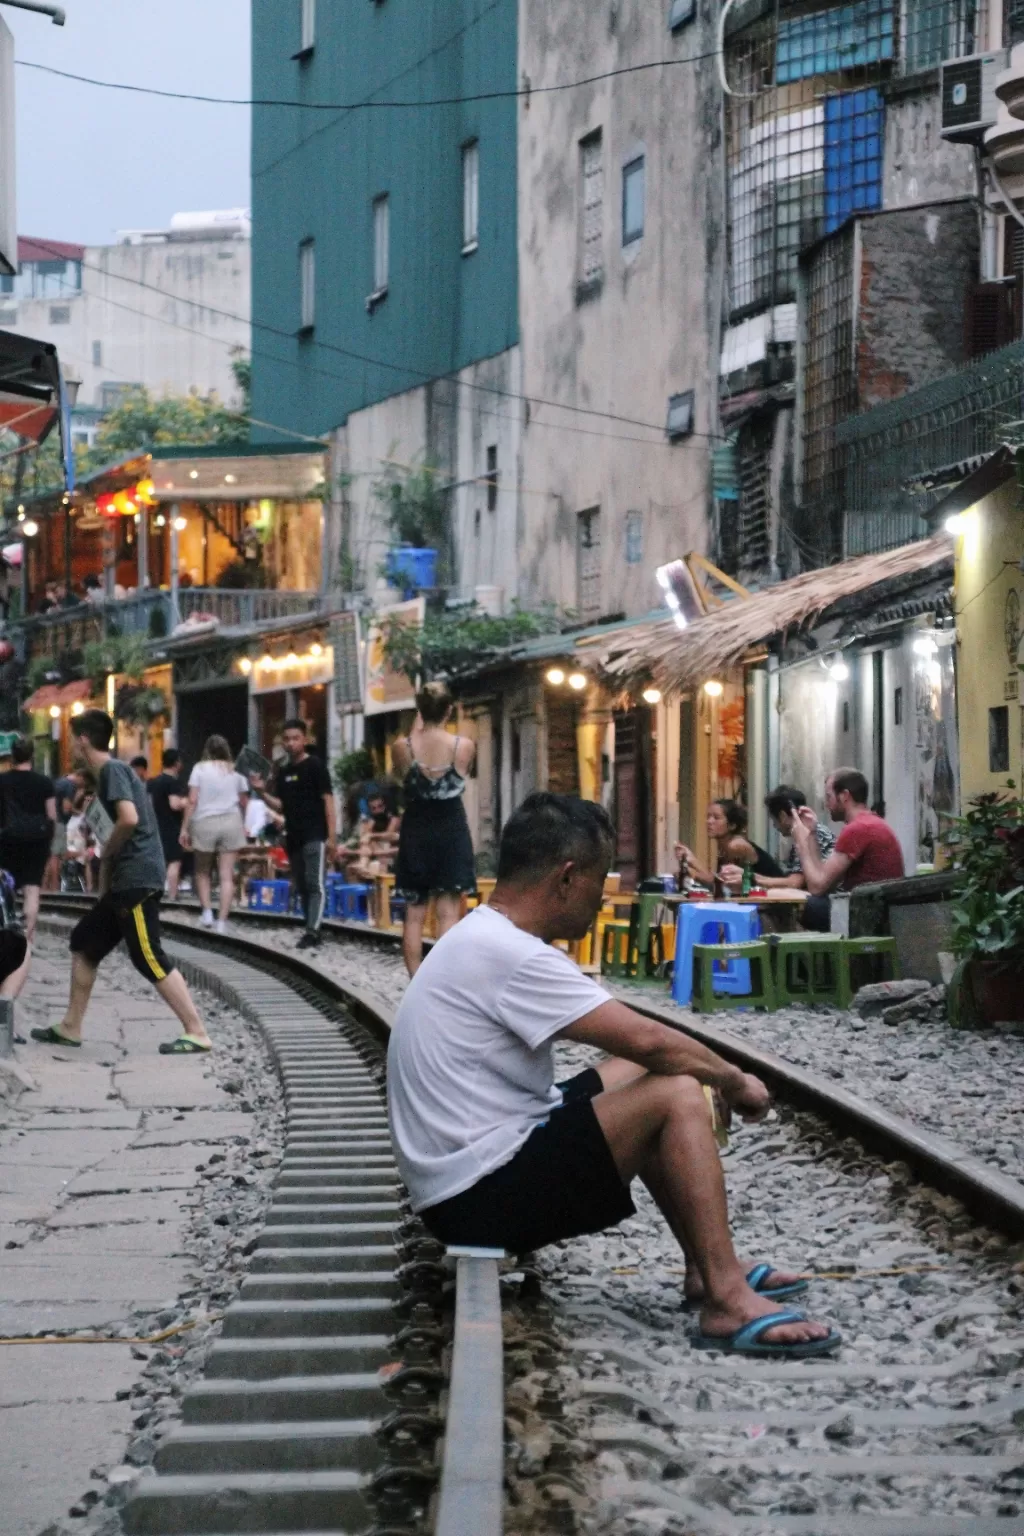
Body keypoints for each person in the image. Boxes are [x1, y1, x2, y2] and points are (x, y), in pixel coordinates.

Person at [388, 792, 839, 1359]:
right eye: (601, 878)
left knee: (642, 1070)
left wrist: (695, 1066)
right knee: (674, 1089)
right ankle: (727, 1299)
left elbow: (640, 1049)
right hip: (477, 1199)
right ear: (568, 878)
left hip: (462, 1180)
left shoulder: (485, 936)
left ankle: (706, 1269)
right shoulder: (512, 954)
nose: (602, 894)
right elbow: (651, 1038)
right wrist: (731, 1080)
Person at [29, 709, 212, 1055]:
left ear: (83, 740)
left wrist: (106, 848)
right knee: (84, 942)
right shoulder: (106, 775)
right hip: (124, 882)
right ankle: (71, 1026)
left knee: (146, 954)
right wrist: (105, 887)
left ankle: (197, 1030)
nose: (69, 747)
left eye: (72, 739)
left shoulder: (113, 770)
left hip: (138, 876)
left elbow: (128, 820)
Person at [391, 683, 477, 976]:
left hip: (415, 830)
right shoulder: (463, 746)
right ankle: (443, 979)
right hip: (451, 830)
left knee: (413, 914)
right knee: (448, 913)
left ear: (419, 709)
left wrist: (416, 728)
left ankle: (416, 980)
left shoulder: (401, 747)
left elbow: (404, 775)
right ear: (449, 710)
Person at [249, 720, 336, 950]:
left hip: (315, 834)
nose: (291, 743)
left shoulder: (316, 766)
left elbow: (328, 801)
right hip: (293, 836)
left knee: (315, 882)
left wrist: (332, 836)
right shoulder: (284, 771)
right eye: (286, 739)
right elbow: (280, 806)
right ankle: (310, 925)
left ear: (305, 739)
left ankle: (313, 930)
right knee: (301, 883)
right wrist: (260, 792)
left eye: (295, 738)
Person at [720, 785, 837, 931]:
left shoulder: (813, 833)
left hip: (826, 906)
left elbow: (796, 882)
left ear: (782, 816)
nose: (774, 826)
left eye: (774, 820)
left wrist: (750, 878)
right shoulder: (805, 834)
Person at [790, 767, 905, 898]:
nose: (826, 804)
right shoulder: (870, 823)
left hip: (866, 912)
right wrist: (811, 834)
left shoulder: (857, 829)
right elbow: (823, 878)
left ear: (844, 796)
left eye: (829, 797)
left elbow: (817, 888)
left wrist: (801, 843)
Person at [179, 736, 249, 934]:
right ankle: (222, 921)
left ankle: (207, 912)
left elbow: (192, 800)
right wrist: (243, 823)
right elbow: (244, 801)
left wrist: (184, 828)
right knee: (227, 875)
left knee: (202, 871)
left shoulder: (199, 769)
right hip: (231, 821)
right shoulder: (235, 770)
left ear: (207, 750)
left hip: (204, 822)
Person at [0, 737, 56, 942]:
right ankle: (26, 941)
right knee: (32, 891)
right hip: (37, 842)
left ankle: (7, 929)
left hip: (8, 841)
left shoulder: (3, 781)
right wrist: (49, 844)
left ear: (12, 756)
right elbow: (52, 817)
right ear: (32, 755)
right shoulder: (44, 782)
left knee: (6, 887)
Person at [675, 799, 783, 893]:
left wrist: (693, 870)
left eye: (716, 818)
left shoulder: (736, 846)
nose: (709, 821)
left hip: (773, 898)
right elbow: (717, 880)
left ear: (732, 825)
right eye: (708, 817)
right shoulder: (724, 845)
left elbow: (722, 883)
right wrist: (691, 859)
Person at [147, 749, 187, 900]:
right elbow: (175, 804)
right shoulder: (172, 782)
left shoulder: (154, 782)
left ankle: (154, 892)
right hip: (171, 826)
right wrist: (187, 801)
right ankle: (172, 895)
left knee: (160, 861)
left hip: (156, 824)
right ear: (176, 763)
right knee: (174, 861)